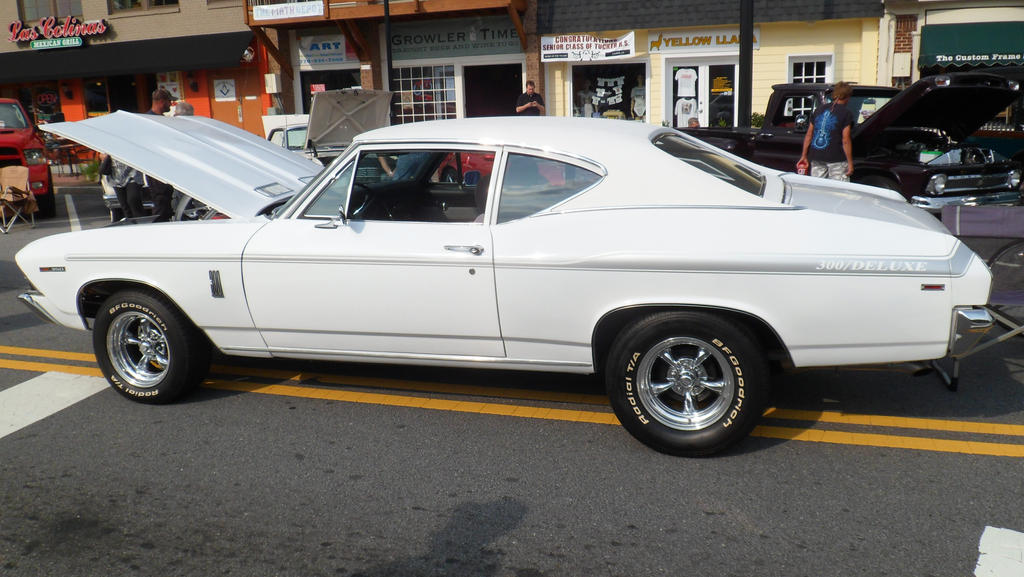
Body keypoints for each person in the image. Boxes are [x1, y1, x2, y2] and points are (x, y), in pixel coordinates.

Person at [799, 81, 855, 181]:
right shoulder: (846, 113)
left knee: (818, 187)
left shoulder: (819, 110)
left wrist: (804, 155)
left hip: (816, 155)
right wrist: (850, 163)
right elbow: (845, 140)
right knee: (838, 190)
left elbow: (809, 135)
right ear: (847, 97)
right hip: (836, 158)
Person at [145, 88, 175, 221]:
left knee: (166, 202)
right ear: (162, 102)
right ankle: (159, 228)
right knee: (160, 202)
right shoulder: (147, 121)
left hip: (166, 167)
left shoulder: (163, 120)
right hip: (155, 168)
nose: (171, 104)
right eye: (170, 101)